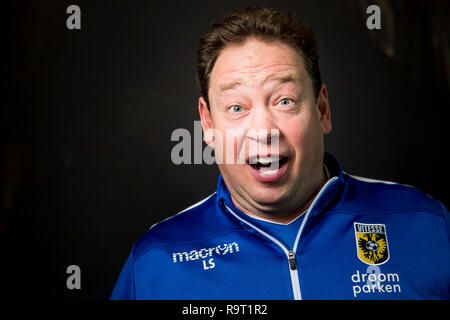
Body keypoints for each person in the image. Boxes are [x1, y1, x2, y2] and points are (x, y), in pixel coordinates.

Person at [110, 6, 450, 300]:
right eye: (237, 107)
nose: (263, 130)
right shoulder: (156, 261)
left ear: (322, 110)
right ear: (208, 124)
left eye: (284, 101)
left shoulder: (427, 224)